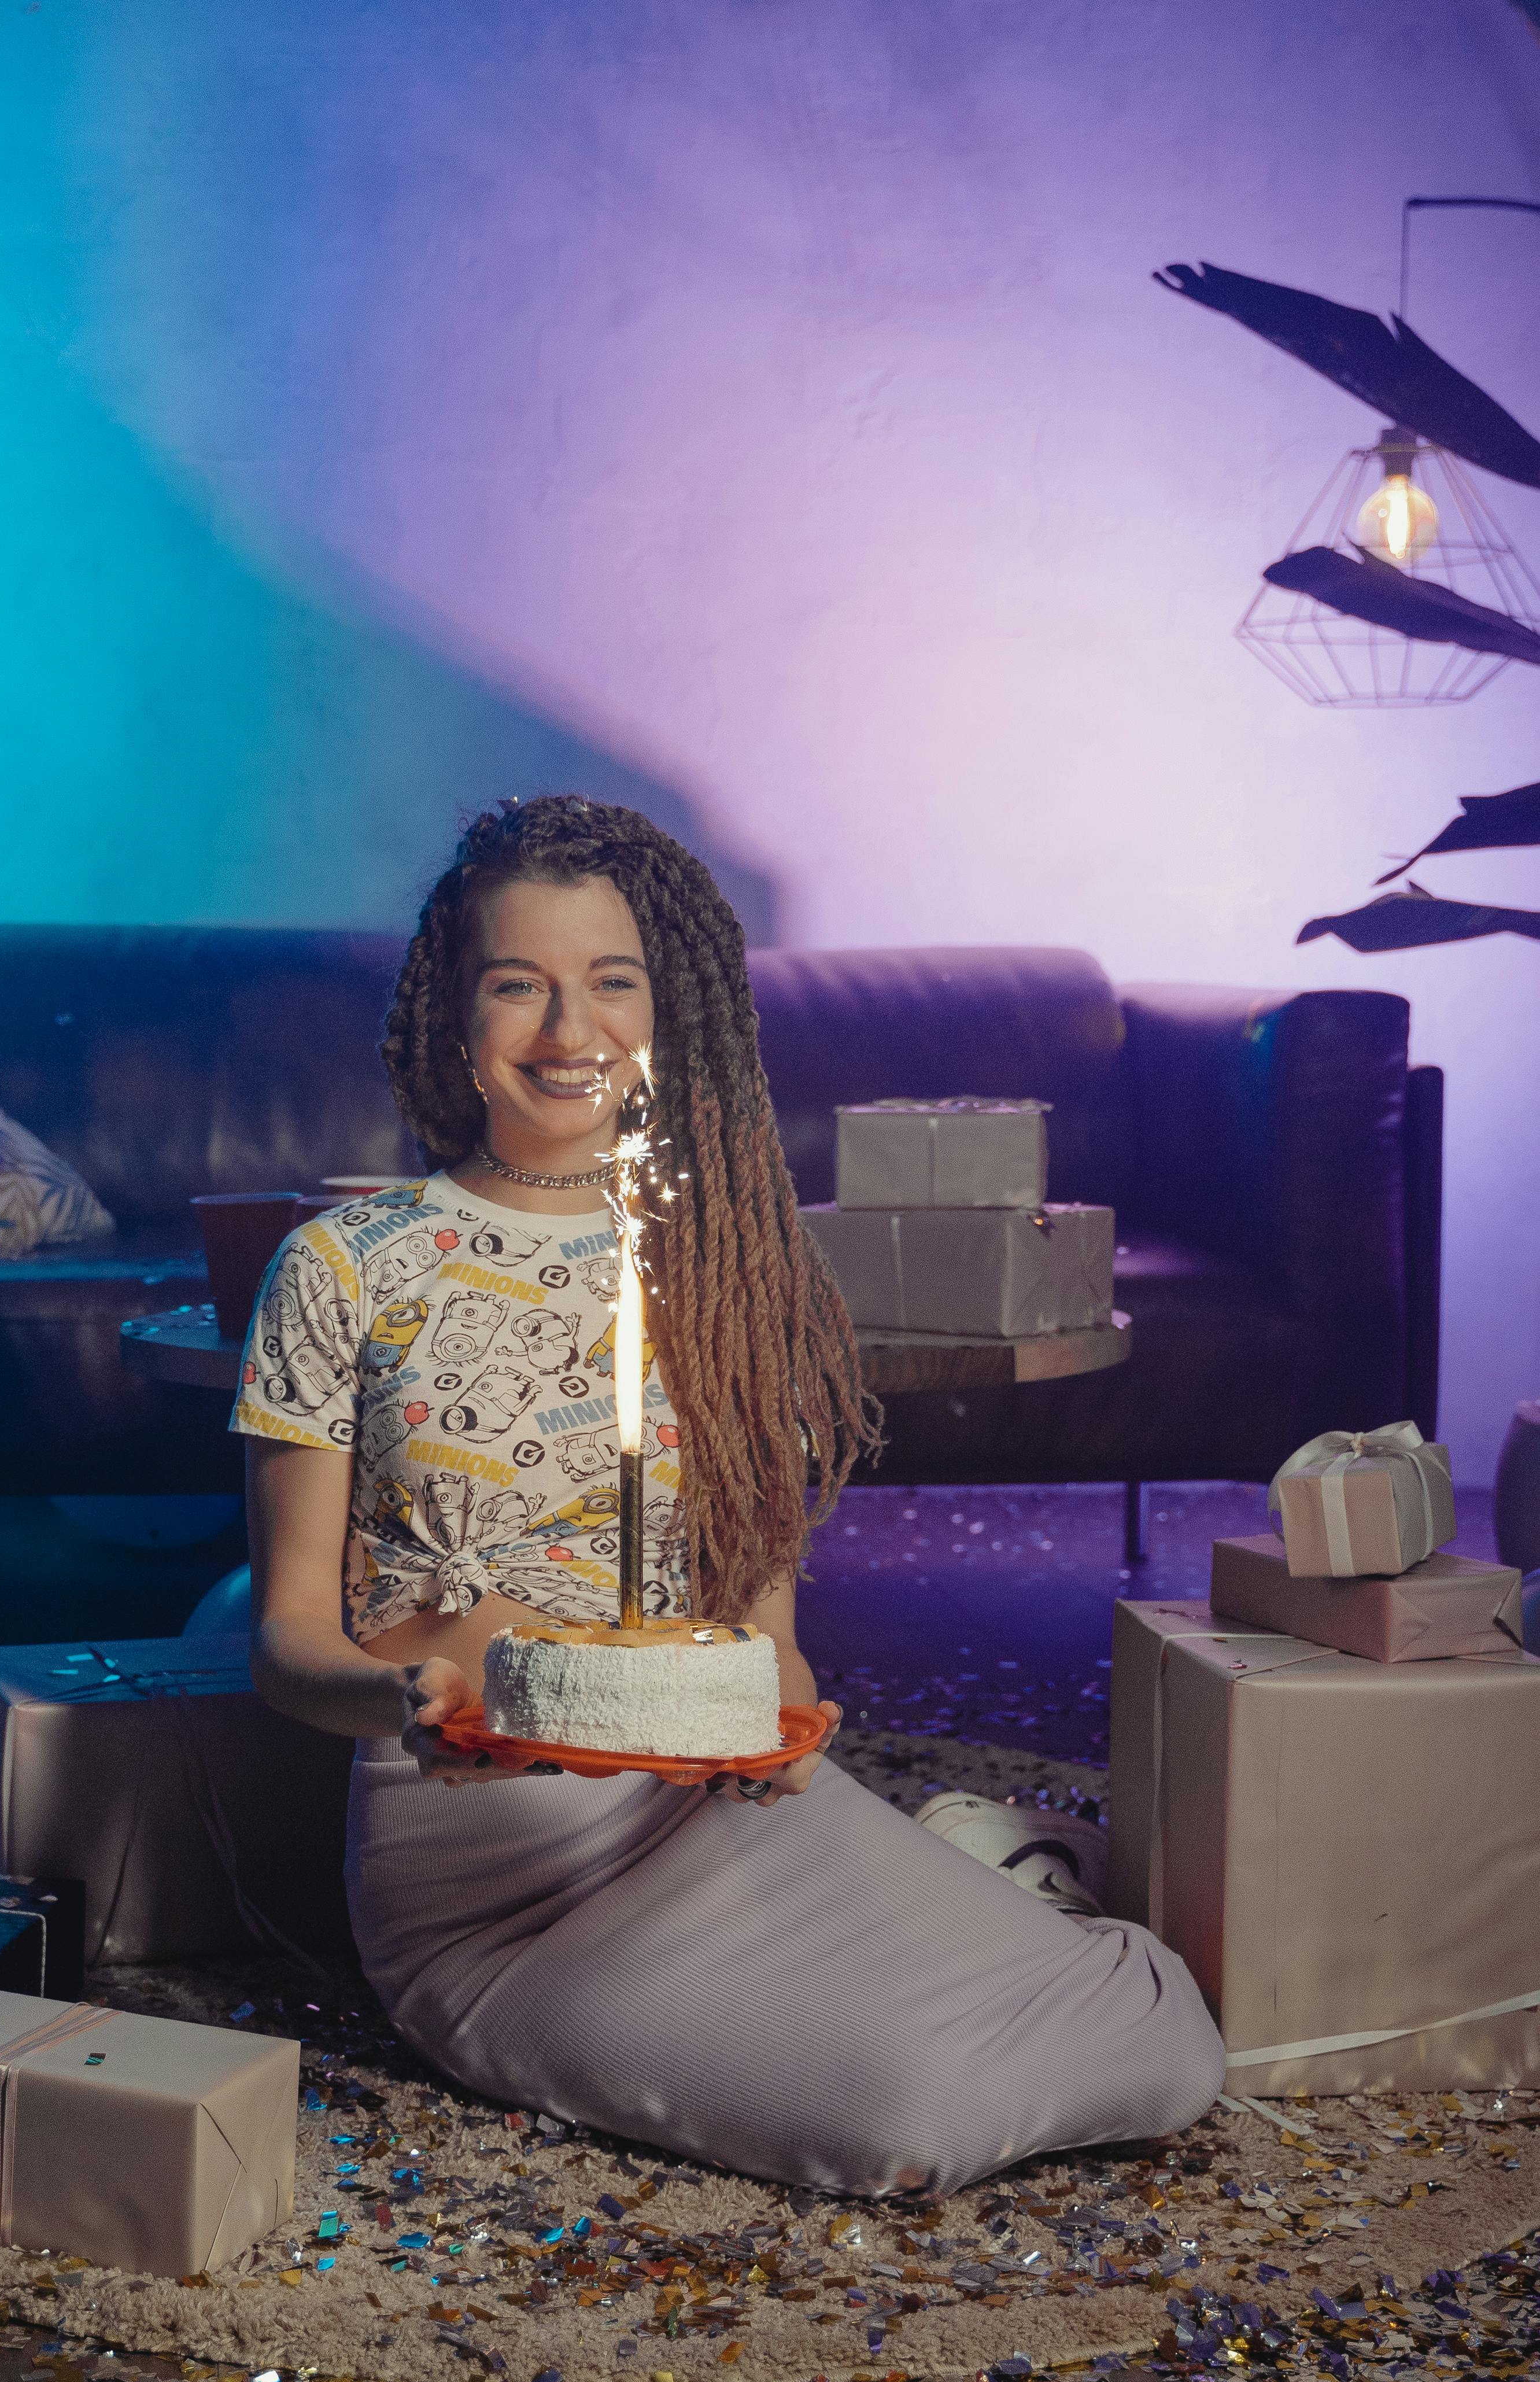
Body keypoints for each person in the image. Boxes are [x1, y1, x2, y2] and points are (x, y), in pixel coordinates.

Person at [236, 796, 1223, 2195]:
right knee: (906, 2120)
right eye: (517, 985)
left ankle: (967, 1880)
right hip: (487, 1887)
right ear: (449, 1017)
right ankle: (971, 1906)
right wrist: (402, 1699)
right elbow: (285, 1644)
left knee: (1172, 2045)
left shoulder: (737, 1268)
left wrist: (773, 1723)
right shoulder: (344, 1265)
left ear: (671, 1009)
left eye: (610, 983)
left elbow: (768, 1646)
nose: (567, 1031)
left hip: (710, 1808)